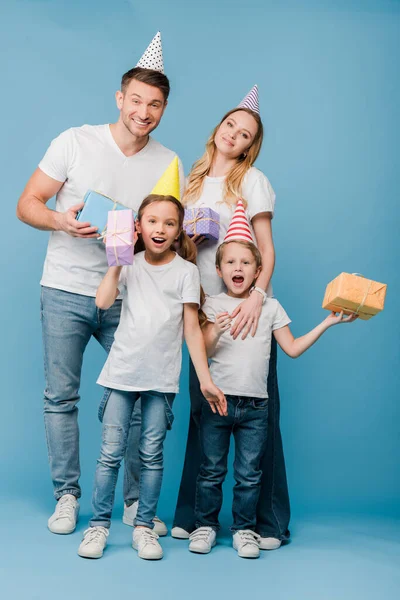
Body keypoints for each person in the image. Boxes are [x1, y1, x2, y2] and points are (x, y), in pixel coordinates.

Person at [16, 32, 183, 536]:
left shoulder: (168, 163)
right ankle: (67, 497)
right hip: (65, 287)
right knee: (60, 397)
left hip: (130, 298)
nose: (144, 111)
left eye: (155, 104)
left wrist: (146, 238)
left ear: (163, 108)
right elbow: (27, 204)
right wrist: (63, 222)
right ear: (120, 98)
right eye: (136, 100)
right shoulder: (75, 141)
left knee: (137, 398)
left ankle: (133, 503)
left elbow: (167, 234)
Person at [187, 214, 357, 559]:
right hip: (218, 401)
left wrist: (328, 322)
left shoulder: (271, 307)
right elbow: (200, 350)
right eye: (231, 262)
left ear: (258, 269)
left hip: (256, 407)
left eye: (246, 262)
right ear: (219, 271)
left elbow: (292, 348)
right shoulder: (213, 305)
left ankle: (243, 530)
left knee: (249, 474)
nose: (239, 267)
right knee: (210, 470)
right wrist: (216, 329)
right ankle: (204, 525)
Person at [77, 186, 226, 560]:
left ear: (179, 231)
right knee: (109, 454)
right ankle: (97, 527)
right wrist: (116, 258)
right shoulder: (129, 264)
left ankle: (144, 527)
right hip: (121, 375)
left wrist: (206, 379)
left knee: (151, 456)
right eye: (153, 221)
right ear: (138, 227)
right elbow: (102, 301)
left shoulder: (187, 272)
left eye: (170, 223)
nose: (161, 228)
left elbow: (191, 328)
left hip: (161, 380)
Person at [172, 85, 289, 549]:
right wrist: (190, 241)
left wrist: (258, 295)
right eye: (230, 127)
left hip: (246, 310)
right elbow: (178, 249)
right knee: (204, 410)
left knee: (260, 416)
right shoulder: (189, 182)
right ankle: (192, 514)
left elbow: (266, 248)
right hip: (202, 308)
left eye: (245, 135)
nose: (234, 137)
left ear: (249, 146)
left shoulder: (252, 180)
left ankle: (268, 522)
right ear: (218, 128)